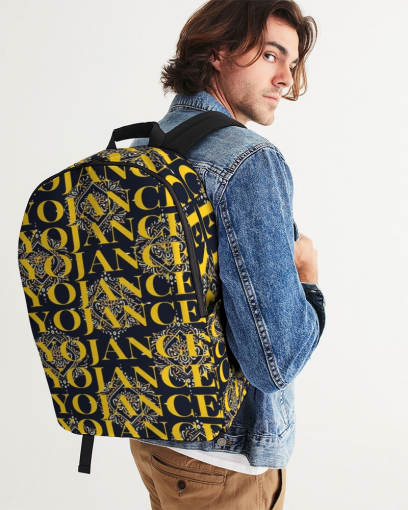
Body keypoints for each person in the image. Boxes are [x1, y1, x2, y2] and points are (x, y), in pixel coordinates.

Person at [129, 1, 325, 508]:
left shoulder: (148, 146)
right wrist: (308, 280)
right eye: (270, 55)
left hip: (153, 434)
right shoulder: (248, 162)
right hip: (225, 463)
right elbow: (275, 363)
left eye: (292, 62)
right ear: (218, 52)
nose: (286, 78)